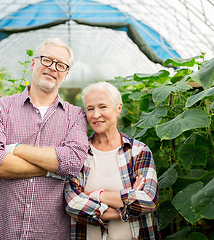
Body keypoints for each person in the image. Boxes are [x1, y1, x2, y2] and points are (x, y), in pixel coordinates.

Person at [0, 38, 89, 239]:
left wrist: (15, 149)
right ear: (33, 63)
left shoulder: (76, 115)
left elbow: (73, 163)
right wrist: (54, 170)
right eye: (47, 60)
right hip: (2, 227)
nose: (53, 68)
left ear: (66, 74)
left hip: (49, 230)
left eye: (61, 65)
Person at [64, 82, 161, 240]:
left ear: (118, 108)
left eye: (103, 107)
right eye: (90, 108)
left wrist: (96, 195)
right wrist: (128, 201)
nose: (96, 115)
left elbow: (148, 200)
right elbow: (73, 205)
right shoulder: (78, 154)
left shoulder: (138, 151)